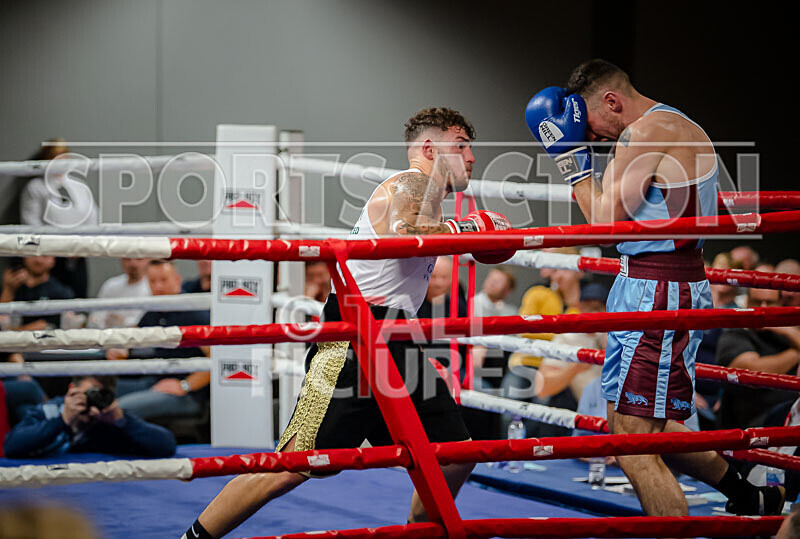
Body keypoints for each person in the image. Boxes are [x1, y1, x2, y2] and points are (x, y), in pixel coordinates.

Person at [184, 107, 513, 539]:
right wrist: (469, 229)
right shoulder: (412, 182)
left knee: (455, 453)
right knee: (290, 468)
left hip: (397, 341)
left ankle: (421, 532)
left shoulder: (425, 193)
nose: (471, 157)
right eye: (461, 146)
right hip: (355, 341)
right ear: (430, 148)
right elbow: (404, 233)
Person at [526, 59, 783, 518]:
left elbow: (603, 225)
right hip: (649, 282)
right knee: (633, 424)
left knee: (634, 444)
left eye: (591, 121)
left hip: (658, 288)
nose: (593, 134)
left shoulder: (643, 134)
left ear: (611, 101)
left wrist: (569, 161)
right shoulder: (675, 122)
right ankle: (749, 497)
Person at [106, 260, 210, 421]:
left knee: (117, 409)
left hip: (187, 394)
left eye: (163, 280)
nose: (158, 287)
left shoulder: (193, 313)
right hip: (155, 381)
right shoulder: (154, 311)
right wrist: (120, 348)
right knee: (98, 393)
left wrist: (185, 385)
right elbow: (132, 334)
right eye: (153, 281)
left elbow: (216, 361)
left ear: (178, 280)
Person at [3, 375, 175, 458]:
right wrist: (63, 420)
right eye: (89, 394)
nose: (92, 401)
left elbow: (167, 445)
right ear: (71, 389)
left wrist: (123, 422)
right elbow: (11, 447)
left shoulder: (109, 419)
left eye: (99, 396)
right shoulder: (50, 411)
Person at [19, 139, 98, 298]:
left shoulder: (78, 185)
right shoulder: (36, 187)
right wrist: (55, 246)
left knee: (78, 303)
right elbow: (31, 223)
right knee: (53, 305)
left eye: (64, 157)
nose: (61, 162)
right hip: (49, 258)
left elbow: (92, 217)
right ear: (47, 159)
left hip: (77, 255)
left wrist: (82, 244)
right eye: (55, 157)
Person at [717, 287, 800, 428]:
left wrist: (785, 329)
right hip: (752, 425)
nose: (763, 308)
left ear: (781, 304)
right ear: (747, 302)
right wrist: (796, 352)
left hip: (791, 417)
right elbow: (753, 372)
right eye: (757, 301)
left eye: (769, 302)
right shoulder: (735, 334)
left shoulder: (789, 336)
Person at [1, 256, 74, 330]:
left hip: (45, 340)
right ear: (25, 257)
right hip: (11, 339)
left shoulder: (61, 291)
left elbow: (52, 324)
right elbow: (2, 318)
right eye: (33, 255)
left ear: (53, 260)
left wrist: (16, 332)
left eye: (44, 256)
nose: (38, 260)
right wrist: (8, 289)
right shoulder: (14, 285)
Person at [87, 258, 151, 329]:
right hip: (107, 336)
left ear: (149, 260)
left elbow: (149, 322)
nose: (133, 264)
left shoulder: (153, 287)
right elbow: (95, 317)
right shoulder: (111, 285)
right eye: (127, 259)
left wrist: (125, 322)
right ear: (121, 260)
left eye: (139, 259)